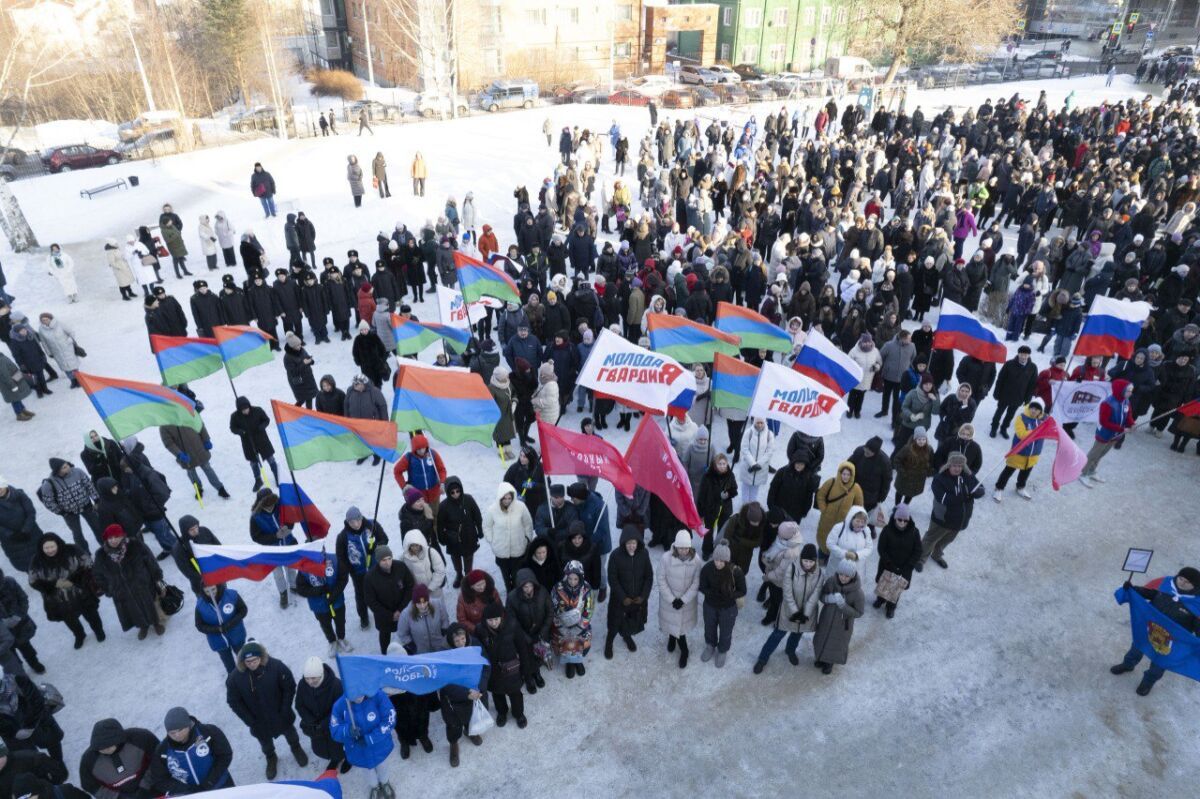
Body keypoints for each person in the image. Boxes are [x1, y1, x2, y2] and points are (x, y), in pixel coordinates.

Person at [225, 640, 308, 780]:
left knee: (291, 734)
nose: (251, 664)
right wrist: (250, 720)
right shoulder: (234, 678)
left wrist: (285, 708)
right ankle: (271, 758)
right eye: (248, 661)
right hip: (258, 722)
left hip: (282, 715)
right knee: (265, 744)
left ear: (261, 657)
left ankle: (296, 748)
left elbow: (289, 687)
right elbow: (233, 701)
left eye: (254, 660)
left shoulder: (276, 666)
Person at [1111, 567, 1200, 695]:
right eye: (1181, 578)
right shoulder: (1165, 583)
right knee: (1137, 647)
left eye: (1187, 582)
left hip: (1171, 642)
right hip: (1149, 629)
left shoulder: (1197, 604)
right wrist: (1132, 589)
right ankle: (1128, 664)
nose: (1182, 583)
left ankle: (1148, 682)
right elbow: (1149, 593)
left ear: (1195, 586)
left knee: (1159, 664)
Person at [27, 533, 103, 649]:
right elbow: (33, 581)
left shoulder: (72, 550)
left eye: (52, 546)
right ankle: (79, 635)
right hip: (58, 598)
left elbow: (88, 563)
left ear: (57, 544)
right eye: (46, 548)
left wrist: (79, 578)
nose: (49, 550)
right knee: (70, 620)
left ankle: (98, 630)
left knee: (91, 613)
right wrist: (52, 586)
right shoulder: (37, 560)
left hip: (80, 591)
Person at [754, 543, 821, 673]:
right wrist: (795, 612)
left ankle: (790, 650)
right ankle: (763, 658)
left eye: (811, 561)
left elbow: (815, 596)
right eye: (805, 561)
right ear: (801, 558)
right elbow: (787, 592)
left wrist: (805, 613)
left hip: (805, 613)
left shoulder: (819, 575)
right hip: (788, 611)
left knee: (797, 634)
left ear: (815, 561)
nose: (808, 564)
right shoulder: (792, 569)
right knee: (777, 634)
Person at [92, 525, 165, 640]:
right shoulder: (101, 555)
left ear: (122, 535)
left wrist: (156, 575)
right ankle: (143, 626)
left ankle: (156, 623)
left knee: (150, 603)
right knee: (132, 610)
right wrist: (109, 589)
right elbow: (97, 575)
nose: (113, 540)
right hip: (122, 591)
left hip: (142, 584)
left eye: (116, 536)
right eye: (110, 538)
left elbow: (150, 560)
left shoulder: (135, 545)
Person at [917, 452, 984, 571]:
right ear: (949, 465)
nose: (957, 468)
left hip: (961, 519)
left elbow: (980, 487)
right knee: (931, 538)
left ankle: (936, 555)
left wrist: (979, 492)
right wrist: (963, 497)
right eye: (955, 465)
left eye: (960, 466)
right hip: (943, 518)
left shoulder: (968, 476)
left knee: (947, 540)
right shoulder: (940, 479)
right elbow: (943, 498)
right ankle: (920, 558)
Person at [150, 707, 234, 795]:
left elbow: (225, 755)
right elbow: (159, 780)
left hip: (221, 787)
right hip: (190, 794)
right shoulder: (162, 751)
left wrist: (209, 781)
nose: (177, 735)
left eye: (180, 730)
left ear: (188, 725)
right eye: (172, 733)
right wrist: (187, 790)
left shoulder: (208, 732)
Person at [330, 690, 396, 798]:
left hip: (379, 746)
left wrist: (370, 738)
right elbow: (334, 730)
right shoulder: (340, 705)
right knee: (367, 770)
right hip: (358, 749)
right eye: (353, 693)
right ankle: (374, 786)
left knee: (382, 766)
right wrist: (348, 731)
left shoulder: (378, 696)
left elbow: (389, 719)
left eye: (360, 692)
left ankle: (385, 782)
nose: (357, 697)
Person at [475, 603, 530, 729]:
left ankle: (518, 714)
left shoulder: (512, 625)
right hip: (493, 671)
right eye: (490, 620)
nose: (494, 623)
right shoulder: (480, 630)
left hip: (512, 669)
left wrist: (525, 670)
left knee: (515, 694)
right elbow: (477, 651)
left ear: (501, 617)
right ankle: (502, 712)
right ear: (485, 619)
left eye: (496, 619)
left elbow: (522, 648)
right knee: (497, 694)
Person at [438, 624, 486, 767]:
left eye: (462, 639)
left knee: (470, 717)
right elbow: (445, 683)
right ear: (452, 641)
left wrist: (480, 688)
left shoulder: (474, 645)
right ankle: (453, 745)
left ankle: (470, 731)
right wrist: (466, 694)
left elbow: (485, 667)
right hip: (452, 699)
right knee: (453, 724)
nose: (461, 643)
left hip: (473, 693)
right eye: (457, 641)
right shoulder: (444, 656)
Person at [604, 525, 653, 659]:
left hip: (636, 598)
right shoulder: (615, 555)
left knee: (630, 621)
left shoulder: (644, 554)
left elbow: (649, 576)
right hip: (619, 599)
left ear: (638, 542)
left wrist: (643, 596)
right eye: (629, 543)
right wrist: (622, 597)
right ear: (624, 543)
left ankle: (627, 636)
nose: (631, 546)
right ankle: (609, 642)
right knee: (615, 623)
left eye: (634, 543)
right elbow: (612, 579)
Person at [78, 717, 158, 798]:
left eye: (108, 746)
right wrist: (118, 797)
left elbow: (159, 762)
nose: (104, 749)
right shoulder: (88, 760)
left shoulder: (141, 738)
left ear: (119, 739)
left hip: (153, 788)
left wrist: (145, 786)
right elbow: (91, 787)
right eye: (100, 748)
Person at [336, 506, 388, 630]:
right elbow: (341, 557)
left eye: (358, 520)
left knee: (380, 591)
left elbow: (384, 539)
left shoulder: (372, 525)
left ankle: (382, 612)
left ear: (361, 517)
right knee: (361, 596)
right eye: (352, 522)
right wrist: (351, 570)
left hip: (376, 568)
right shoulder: (343, 537)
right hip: (358, 573)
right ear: (347, 522)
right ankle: (363, 617)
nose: (356, 524)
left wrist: (375, 546)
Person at [0, 669, 64, 767]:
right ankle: (46, 768)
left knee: (52, 742)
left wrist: (29, 726)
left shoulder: (18, 680)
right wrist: (14, 732)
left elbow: (37, 702)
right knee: (29, 757)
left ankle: (58, 764)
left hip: (37, 721)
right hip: (16, 734)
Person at [812, 558, 865, 674]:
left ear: (852, 576)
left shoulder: (858, 593)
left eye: (847, 576)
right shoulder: (831, 582)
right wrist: (828, 598)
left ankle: (829, 663)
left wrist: (843, 606)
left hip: (842, 625)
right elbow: (821, 596)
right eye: (841, 574)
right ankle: (821, 658)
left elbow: (859, 613)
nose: (843, 577)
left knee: (836, 644)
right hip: (826, 619)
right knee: (822, 638)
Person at [296, 656, 348, 773]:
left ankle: (347, 759)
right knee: (325, 748)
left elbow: (340, 710)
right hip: (315, 728)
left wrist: (323, 724)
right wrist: (311, 721)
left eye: (313, 678)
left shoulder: (336, 685)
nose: (310, 682)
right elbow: (299, 705)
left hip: (334, 727)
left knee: (339, 746)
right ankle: (335, 759)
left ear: (321, 674)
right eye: (307, 678)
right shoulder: (303, 684)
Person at [698, 541, 746, 668]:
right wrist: (711, 593)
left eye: (722, 561)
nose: (718, 563)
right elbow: (701, 586)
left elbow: (743, 590)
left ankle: (722, 650)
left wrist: (730, 594)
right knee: (709, 627)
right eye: (716, 560)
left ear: (727, 560)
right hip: (710, 605)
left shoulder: (735, 572)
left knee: (726, 631)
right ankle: (710, 645)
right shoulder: (707, 568)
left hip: (728, 608)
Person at [248, 489, 299, 609]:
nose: (271, 507)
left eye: (272, 504)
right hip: (272, 551)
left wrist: (288, 527)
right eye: (267, 505)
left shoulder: (281, 506)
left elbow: (291, 519)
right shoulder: (255, 517)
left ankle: (293, 585)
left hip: (288, 543)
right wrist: (274, 537)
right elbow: (256, 537)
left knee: (291, 568)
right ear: (261, 504)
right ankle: (283, 593)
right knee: (278, 574)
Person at [1080, 379, 1135, 487]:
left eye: (1131, 391)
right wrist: (1122, 429)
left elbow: (1128, 416)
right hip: (1104, 434)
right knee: (1094, 454)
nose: (1130, 393)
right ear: (1120, 390)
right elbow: (1104, 422)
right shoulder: (1107, 403)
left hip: (1115, 435)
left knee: (1102, 454)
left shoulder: (1126, 402)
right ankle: (1083, 473)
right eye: (1128, 391)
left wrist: (1132, 424)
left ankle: (1092, 471)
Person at [37, 458, 100, 553]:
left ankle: (105, 546)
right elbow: (48, 501)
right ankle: (84, 554)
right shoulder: (49, 484)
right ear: (58, 471)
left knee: (97, 527)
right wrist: (61, 512)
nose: (68, 467)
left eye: (67, 465)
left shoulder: (78, 472)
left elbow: (89, 485)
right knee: (78, 534)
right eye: (64, 467)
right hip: (69, 513)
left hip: (87, 506)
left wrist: (96, 499)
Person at [483, 482, 534, 593]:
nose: (507, 501)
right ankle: (509, 593)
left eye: (509, 498)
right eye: (504, 498)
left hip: (518, 550)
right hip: (501, 552)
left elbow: (528, 524)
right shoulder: (492, 510)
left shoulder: (521, 507)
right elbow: (487, 526)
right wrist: (492, 541)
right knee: (506, 577)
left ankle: (517, 595)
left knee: (517, 576)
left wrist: (527, 539)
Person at [505, 570, 551, 692]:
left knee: (538, 655)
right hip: (523, 635)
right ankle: (528, 677)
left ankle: (537, 672)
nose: (528, 589)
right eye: (525, 586)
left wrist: (544, 630)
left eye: (530, 585)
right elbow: (511, 620)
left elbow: (550, 612)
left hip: (540, 632)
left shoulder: (542, 592)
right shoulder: (512, 598)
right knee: (525, 658)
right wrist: (524, 636)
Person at [159, 422, 230, 500]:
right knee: (191, 472)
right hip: (185, 454)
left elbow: (200, 425)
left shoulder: (187, 413)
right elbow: (169, 443)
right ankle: (198, 489)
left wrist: (206, 440)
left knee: (207, 468)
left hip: (199, 448)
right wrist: (179, 454)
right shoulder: (164, 426)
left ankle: (220, 488)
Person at [364, 546, 414, 654]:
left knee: (408, 632)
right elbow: (371, 601)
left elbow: (410, 586)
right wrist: (389, 615)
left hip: (403, 611)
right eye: (384, 560)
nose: (387, 563)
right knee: (385, 635)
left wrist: (401, 610)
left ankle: (411, 651)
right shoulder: (370, 577)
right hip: (383, 616)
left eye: (389, 558)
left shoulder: (401, 567)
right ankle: (385, 655)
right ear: (378, 561)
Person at [873, 504, 921, 618]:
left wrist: (909, 565)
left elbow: (918, 550)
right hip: (888, 565)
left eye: (905, 520)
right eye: (900, 519)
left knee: (896, 589)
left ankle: (891, 607)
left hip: (905, 568)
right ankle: (881, 599)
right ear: (895, 518)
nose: (902, 522)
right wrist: (889, 563)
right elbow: (881, 548)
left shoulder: (914, 532)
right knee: (884, 584)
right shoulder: (887, 530)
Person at [993, 399, 1045, 502]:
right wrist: (1035, 431)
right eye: (1032, 407)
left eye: (1037, 409)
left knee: (1025, 472)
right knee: (1009, 470)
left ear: (1041, 411)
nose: (1034, 411)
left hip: (1033, 454)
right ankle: (999, 488)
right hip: (1019, 452)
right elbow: (1021, 434)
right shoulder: (1021, 418)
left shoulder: (1043, 422)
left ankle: (1020, 487)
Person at [437, 476, 482, 588]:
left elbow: (477, 516)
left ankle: (468, 576)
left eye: (458, 491)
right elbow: (440, 524)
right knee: (455, 558)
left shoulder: (468, 499)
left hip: (469, 535)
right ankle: (459, 574)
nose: (456, 494)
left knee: (468, 558)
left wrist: (480, 530)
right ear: (448, 492)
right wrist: (441, 538)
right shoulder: (443, 506)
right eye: (452, 492)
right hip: (453, 538)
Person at [551, 560, 594, 678]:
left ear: (580, 577)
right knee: (564, 642)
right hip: (562, 624)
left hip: (581, 624)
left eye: (575, 579)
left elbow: (589, 610)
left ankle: (578, 660)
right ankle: (569, 662)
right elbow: (553, 609)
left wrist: (580, 626)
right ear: (566, 576)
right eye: (570, 578)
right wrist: (560, 626)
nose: (572, 582)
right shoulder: (557, 588)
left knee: (582, 641)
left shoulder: (587, 589)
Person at [228, 397, 280, 492]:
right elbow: (232, 428)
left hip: (262, 440)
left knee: (271, 459)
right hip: (248, 443)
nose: (245, 411)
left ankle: (278, 477)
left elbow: (266, 420)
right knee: (253, 463)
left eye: (246, 408)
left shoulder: (258, 410)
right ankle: (258, 480)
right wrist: (240, 431)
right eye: (243, 410)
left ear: (249, 406)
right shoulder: (235, 416)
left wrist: (262, 426)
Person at [194, 581, 247, 674]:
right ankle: (235, 681)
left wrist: (230, 624)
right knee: (229, 665)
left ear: (217, 586)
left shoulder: (231, 595)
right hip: (219, 641)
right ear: (203, 591)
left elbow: (243, 610)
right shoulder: (200, 605)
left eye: (213, 589)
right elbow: (199, 625)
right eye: (207, 591)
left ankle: (248, 675)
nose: (211, 593)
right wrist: (216, 629)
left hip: (237, 634)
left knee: (243, 658)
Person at [814, 462, 863, 559]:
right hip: (827, 519)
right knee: (824, 538)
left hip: (843, 523)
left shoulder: (856, 488)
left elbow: (859, 507)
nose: (845, 477)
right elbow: (820, 495)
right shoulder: (831, 482)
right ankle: (822, 555)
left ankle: (831, 558)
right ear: (840, 473)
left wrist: (852, 520)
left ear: (852, 475)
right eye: (844, 474)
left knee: (837, 542)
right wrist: (824, 509)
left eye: (848, 475)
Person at [990, 347, 1038, 438]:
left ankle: (1004, 428)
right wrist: (996, 392)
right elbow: (1000, 379)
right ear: (1018, 354)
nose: (1023, 357)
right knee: (999, 412)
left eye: (1026, 355)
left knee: (1010, 414)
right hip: (1005, 394)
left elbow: (1032, 384)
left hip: (1019, 396)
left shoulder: (1033, 367)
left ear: (1029, 355)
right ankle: (994, 427)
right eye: (1022, 354)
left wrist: (1027, 398)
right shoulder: (1009, 364)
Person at [0, 570, 42, 675]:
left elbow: (23, 598)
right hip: (2, 633)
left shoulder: (9, 582)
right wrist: (2, 623)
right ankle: (20, 672)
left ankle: (34, 663)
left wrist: (18, 616)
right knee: (11, 655)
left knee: (27, 648)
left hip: (20, 626)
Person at [393, 434, 447, 512]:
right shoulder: (409, 458)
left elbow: (442, 469)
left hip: (434, 493)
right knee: (422, 516)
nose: (422, 451)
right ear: (414, 449)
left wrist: (442, 482)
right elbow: (397, 471)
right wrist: (404, 486)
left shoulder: (433, 454)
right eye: (418, 449)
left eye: (423, 448)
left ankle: (435, 524)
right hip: (418, 496)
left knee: (435, 513)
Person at [0, 478, 40, 573]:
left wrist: (26, 530)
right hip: (13, 542)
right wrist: (11, 535)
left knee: (46, 561)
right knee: (31, 569)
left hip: (31, 534)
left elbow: (30, 512)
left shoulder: (19, 495)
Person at [826, 506, 874, 584]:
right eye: (857, 521)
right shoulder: (839, 527)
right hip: (837, 566)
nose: (860, 524)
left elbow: (869, 548)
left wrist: (857, 555)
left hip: (857, 569)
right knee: (834, 587)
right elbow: (830, 543)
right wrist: (845, 554)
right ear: (851, 518)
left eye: (863, 522)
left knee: (851, 590)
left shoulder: (866, 531)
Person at [737, 418, 775, 506]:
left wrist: (759, 464)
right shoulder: (748, 432)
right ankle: (745, 507)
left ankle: (752, 507)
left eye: (762, 423)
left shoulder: (769, 435)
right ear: (754, 422)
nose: (760, 425)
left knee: (755, 490)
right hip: (748, 466)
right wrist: (752, 463)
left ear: (765, 423)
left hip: (760, 469)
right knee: (745, 489)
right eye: (758, 422)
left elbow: (769, 451)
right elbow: (744, 448)